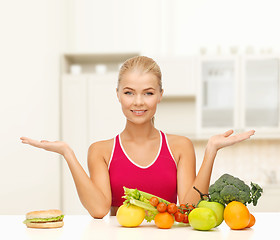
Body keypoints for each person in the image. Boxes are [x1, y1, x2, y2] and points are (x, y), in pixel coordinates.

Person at [20, 56, 255, 218]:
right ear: (118, 95)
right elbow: (99, 210)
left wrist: (211, 150)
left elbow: (188, 207)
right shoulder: (100, 151)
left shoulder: (180, 147)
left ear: (160, 95)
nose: (139, 102)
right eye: (129, 92)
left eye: (148, 93)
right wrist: (67, 154)